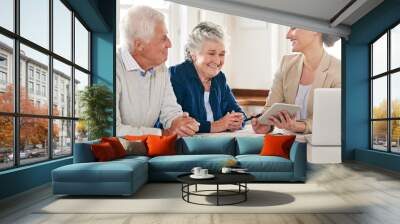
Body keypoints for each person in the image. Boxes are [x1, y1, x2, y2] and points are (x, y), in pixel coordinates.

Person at [117, 5, 199, 137]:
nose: (170, 44)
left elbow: (170, 111)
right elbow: (113, 130)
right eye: (163, 38)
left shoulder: (161, 68)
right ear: (139, 45)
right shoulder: (112, 68)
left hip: (147, 150)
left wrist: (180, 123)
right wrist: (163, 133)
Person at [252, 28, 341, 134]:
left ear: (315, 29)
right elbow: (271, 108)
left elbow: (332, 119)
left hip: (319, 145)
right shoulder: (286, 63)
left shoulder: (339, 70)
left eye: (294, 27)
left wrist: (300, 126)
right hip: (287, 144)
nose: (287, 35)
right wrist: (267, 125)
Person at [169, 22, 245, 133]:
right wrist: (215, 126)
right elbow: (172, 122)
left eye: (221, 54)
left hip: (217, 144)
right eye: (211, 53)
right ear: (193, 54)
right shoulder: (177, 75)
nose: (218, 61)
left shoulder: (219, 78)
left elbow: (238, 112)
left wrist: (237, 121)